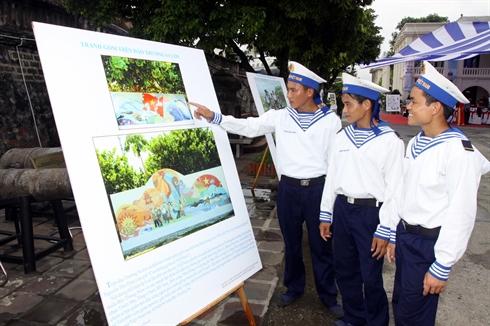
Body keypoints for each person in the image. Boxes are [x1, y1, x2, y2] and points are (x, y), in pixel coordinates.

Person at [191, 61, 344, 319]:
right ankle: (294, 287)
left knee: (321, 245)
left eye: (294, 90)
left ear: (309, 92)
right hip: (289, 190)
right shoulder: (281, 116)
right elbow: (250, 126)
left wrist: (328, 209)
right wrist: (215, 117)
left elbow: (336, 167)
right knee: (292, 243)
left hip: (318, 189)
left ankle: (328, 295)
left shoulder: (331, 121)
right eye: (289, 89)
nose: (289, 94)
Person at [392, 61, 489, 326]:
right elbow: (403, 191)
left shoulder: (458, 152)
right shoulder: (416, 142)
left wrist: (442, 264)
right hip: (406, 236)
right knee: (401, 308)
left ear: (435, 108)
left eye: (413, 101)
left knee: (414, 317)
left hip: (428, 245)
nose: (407, 106)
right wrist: (392, 231)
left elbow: (461, 212)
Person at [319, 73, 404, 326]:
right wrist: (326, 214)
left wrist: (386, 228)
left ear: (367, 105)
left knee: (370, 276)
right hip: (344, 209)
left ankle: (377, 322)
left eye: (348, 104)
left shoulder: (390, 141)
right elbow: (331, 177)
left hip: (371, 214)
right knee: (345, 270)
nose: (343, 110)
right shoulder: (341, 137)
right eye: (343, 104)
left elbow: (395, 189)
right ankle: (354, 318)